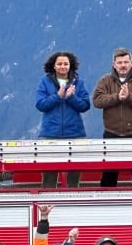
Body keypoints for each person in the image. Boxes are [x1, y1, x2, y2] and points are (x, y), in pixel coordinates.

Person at [93, 47, 132, 187]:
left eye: (126, 62)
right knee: (109, 174)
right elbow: (97, 101)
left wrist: (129, 97)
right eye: (119, 62)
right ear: (114, 64)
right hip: (111, 134)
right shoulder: (105, 81)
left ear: (131, 62)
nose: (123, 65)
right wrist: (117, 97)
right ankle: (105, 204)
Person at [35, 51, 91, 188]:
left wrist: (71, 97)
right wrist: (58, 96)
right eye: (59, 64)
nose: (62, 67)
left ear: (70, 65)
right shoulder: (45, 82)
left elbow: (85, 105)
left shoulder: (79, 83)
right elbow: (40, 104)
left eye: (66, 64)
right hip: (50, 134)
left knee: (74, 172)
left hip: (75, 133)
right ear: (53, 66)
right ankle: (48, 203)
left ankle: (72, 201)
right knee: (49, 173)